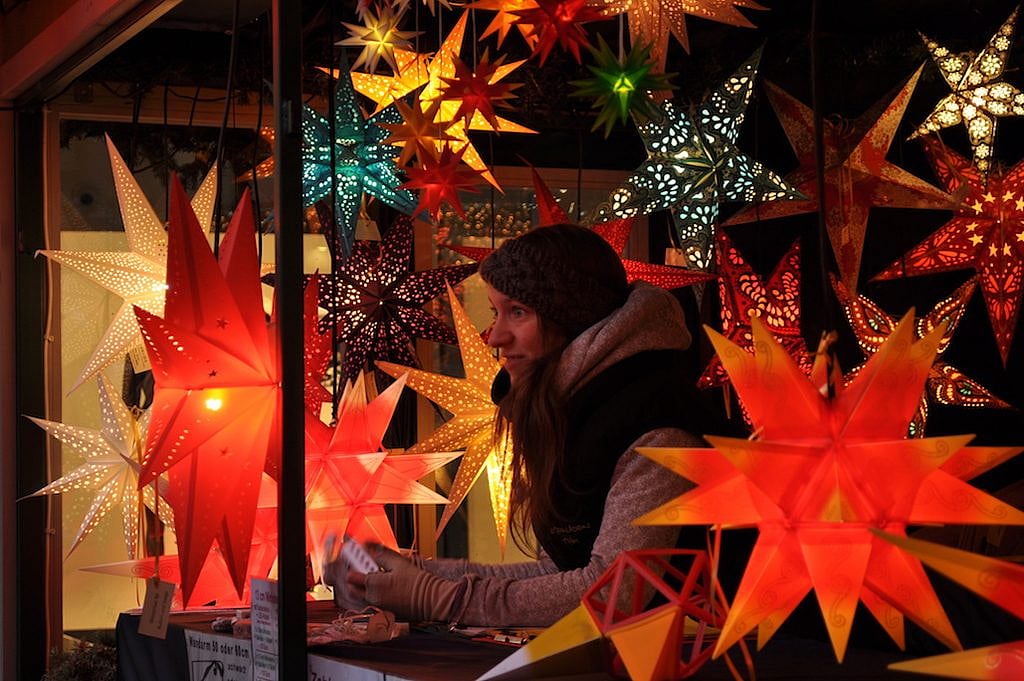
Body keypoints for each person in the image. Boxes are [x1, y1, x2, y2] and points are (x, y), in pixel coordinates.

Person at [325, 223, 707, 627]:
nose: (496, 336)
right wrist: (415, 574)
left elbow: (616, 592)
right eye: (496, 312)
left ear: (570, 316)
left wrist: (441, 598)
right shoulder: (571, 408)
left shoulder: (656, 423)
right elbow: (559, 574)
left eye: (518, 312)